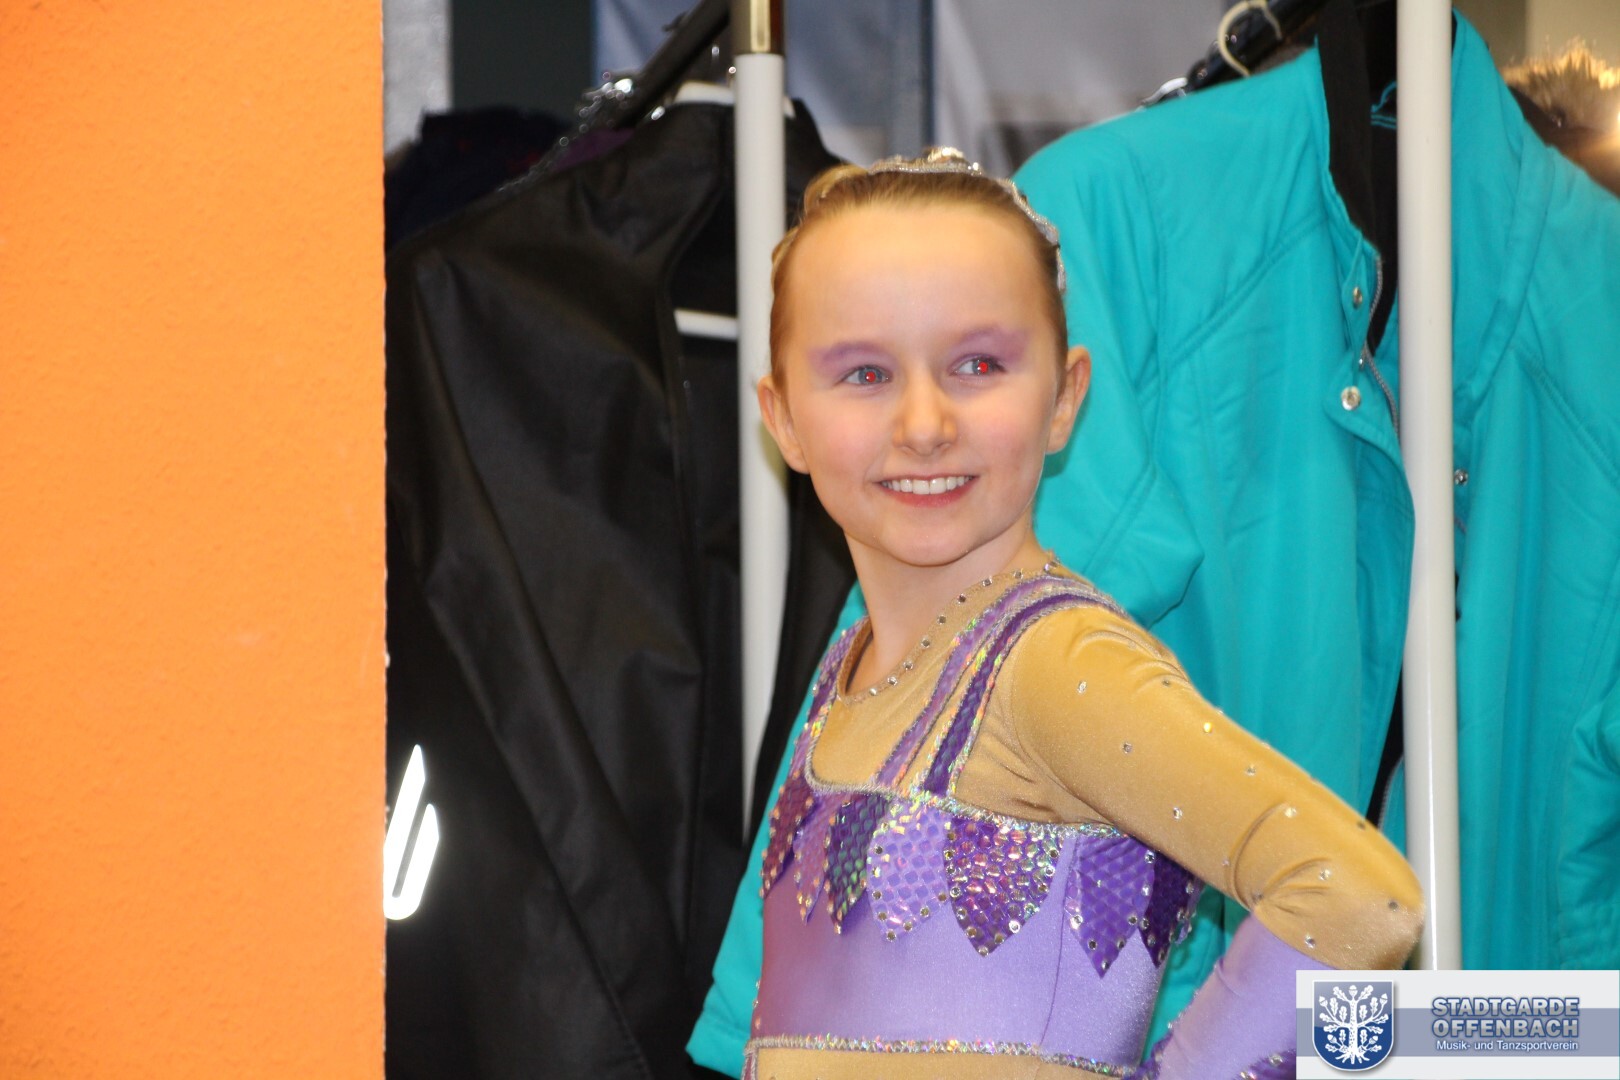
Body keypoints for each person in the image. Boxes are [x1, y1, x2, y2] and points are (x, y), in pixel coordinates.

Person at [739, 148, 1424, 1080]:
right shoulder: (854, 665)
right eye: (864, 374)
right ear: (783, 417)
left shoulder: (1056, 664)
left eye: (977, 364)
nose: (924, 424)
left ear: (1064, 398)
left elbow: (1358, 898)